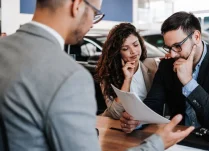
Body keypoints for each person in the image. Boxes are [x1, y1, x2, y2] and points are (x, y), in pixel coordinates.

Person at [0, 0, 194, 151]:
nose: (92, 23)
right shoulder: (70, 77)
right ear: (76, 5)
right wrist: (158, 143)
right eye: (94, 13)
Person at [120, 11, 209, 133]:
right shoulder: (167, 65)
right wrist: (137, 120)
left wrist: (188, 82)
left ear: (196, 37)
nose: (172, 54)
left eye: (178, 46)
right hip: (180, 136)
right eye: (168, 47)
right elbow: (153, 104)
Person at [95, 23, 158, 120]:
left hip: (147, 124)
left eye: (136, 45)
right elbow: (115, 114)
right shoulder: (108, 75)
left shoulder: (152, 65)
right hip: (119, 126)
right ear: (117, 52)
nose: (133, 51)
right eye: (125, 48)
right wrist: (127, 80)